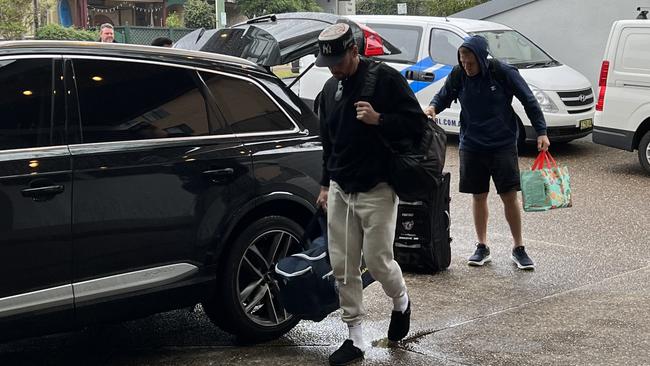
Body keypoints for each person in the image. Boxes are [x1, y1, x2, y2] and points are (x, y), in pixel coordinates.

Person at [315, 23, 425, 366]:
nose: (332, 67)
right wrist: (324, 183)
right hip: (340, 189)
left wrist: (380, 119)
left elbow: (417, 124)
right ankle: (356, 337)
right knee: (343, 266)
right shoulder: (331, 88)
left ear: (353, 51)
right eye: (327, 61)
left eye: (337, 59)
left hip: (378, 187)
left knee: (377, 261)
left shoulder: (386, 79)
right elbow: (328, 144)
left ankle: (401, 300)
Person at [424, 35, 550, 270]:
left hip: (502, 144)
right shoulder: (459, 73)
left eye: (470, 63)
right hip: (472, 144)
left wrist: (541, 132)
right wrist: (433, 107)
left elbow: (529, 100)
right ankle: (482, 246)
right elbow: (445, 94)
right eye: (462, 62)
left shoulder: (502, 72)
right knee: (478, 195)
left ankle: (518, 247)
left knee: (508, 195)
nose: (466, 67)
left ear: (481, 59)